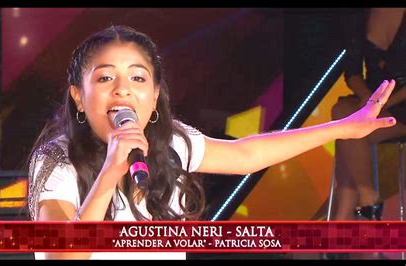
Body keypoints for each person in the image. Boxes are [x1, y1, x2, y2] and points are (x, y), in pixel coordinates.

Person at [27, 25, 399, 260]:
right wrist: (109, 174)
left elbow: (248, 153)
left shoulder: (168, 142)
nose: (123, 88)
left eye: (138, 79)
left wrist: (342, 129)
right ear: (78, 96)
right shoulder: (57, 160)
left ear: (154, 96)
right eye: (106, 78)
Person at [331, 8, 406, 222]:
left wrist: (381, 103)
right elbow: (352, 71)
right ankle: (367, 200)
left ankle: (344, 217)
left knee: (349, 133)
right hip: (375, 104)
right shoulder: (360, 14)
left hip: (398, 107)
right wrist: (368, 100)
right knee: (343, 114)